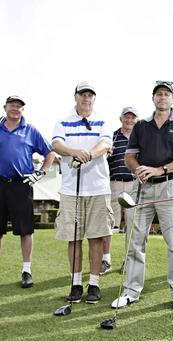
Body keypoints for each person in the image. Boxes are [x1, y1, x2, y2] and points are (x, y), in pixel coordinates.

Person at [111, 80, 173, 311]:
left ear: (172, 98)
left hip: (170, 186)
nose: (162, 97)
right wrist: (137, 168)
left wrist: (161, 169)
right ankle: (130, 291)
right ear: (153, 98)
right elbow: (129, 156)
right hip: (143, 188)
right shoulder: (141, 126)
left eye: (166, 94)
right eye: (158, 94)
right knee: (135, 241)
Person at [0, 95, 55, 289]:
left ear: (22, 110)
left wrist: (41, 172)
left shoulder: (30, 131)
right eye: (12, 105)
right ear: (5, 107)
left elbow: (50, 152)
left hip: (21, 184)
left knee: (25, 230)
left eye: (19, 106)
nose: (15, 108)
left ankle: (26, 271)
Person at [51, 82, 114, 304]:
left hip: (98, 188)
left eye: (90, 95)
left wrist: (88, 154)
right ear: (75, 97)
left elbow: (105, 144)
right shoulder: (63, 122)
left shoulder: (103, 120)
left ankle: (94, 284)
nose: (87, 98)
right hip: (71, 190)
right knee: (74, 239)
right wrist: (73, 152)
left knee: (96, 237)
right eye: (83, 95)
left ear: (94, 99)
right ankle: (76, 283)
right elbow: (57, 144)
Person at [104, 106, 139, 275]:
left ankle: (129, 261)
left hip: (134, 184)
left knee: (132, 225)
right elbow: (105, 159)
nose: (129, 120)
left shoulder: (140, 137)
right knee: (109, 224)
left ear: (136, 120)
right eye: (127, 117)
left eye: (132, 118)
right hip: (114, 183)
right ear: (121, 119)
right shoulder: (112, 137)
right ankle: (106, 259)